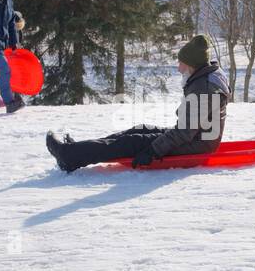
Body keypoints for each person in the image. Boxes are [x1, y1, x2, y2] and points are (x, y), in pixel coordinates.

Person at [45, 35, 229, 172]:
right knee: (138, 130)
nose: (178, 68)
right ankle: (78, 150)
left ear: (192, 65)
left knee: (132, 142)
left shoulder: (203, 88)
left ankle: (68, 156)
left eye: (181, 63)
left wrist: (153, 151)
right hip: (196, 137)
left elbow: (184, 132)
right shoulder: (203, 76)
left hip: (198, 144)